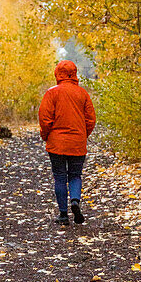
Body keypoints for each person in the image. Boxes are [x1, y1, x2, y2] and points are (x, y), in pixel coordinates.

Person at [38, 60, 96, 225]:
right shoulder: (82, 93)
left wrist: (46, 135)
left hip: (57, 144)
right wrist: (83, 135)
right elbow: (90, 119)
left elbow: (45, 119)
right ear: (74, 74)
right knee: (75, 175)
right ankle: (75, 201)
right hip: (77, 142)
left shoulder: (52, 93)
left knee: (60, 177)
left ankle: (63, 215)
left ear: (58, 74)